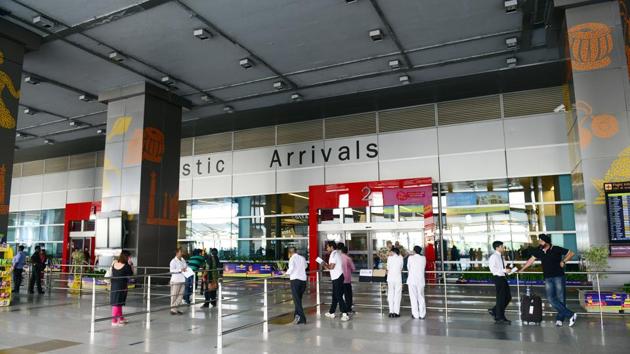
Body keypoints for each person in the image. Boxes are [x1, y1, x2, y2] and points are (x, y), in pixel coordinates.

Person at [519, 234, 577, 327]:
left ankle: (560, 319)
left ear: (546, 242)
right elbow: (531, 260)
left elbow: (571, 253)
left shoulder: (556, 248)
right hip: (547, 277)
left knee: (561, 298)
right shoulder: (539, 250)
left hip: (558, 276)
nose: (539, 242)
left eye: (541, 241)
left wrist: (564, 261)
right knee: (550, 298)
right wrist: (522, 269)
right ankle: (571, 315)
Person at [322, 241, 350, 321]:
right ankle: (331, 312)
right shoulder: (336, 253)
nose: (326, 249)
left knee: (338, 296)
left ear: (331, 247)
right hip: (336, 277)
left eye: (327, 247)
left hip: (338, 277)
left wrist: (323, 264)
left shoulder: (334, 254)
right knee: (334, 296)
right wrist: (326, 265)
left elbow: (331, 267)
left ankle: (345, 313)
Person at [488, 241, 514, 324]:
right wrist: (504, 270)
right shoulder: (494, 257)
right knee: (501, 298)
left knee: (507, 297)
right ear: (497, 248)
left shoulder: (501, 256)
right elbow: (493, 269)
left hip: (503, 277)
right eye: (502, 246)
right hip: (498, 278)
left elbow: (502, 268)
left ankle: (495, 310)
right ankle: (500, 317)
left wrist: (508, 270)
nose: (503, 248)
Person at [110, 251, 134, 327]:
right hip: (122, 286)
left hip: (114, 285)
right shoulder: (126, 266)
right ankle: (114, 320)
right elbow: (131, 274)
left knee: (117, 302)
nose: (130, 258)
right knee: (117, 303)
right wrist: (131, 264)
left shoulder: (114, 264)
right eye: (129, 257)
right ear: (126, 257)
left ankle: (121, 319)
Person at [286, 247, 307, 324]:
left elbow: (291, 269)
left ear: (290, 252)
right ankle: (297, 317)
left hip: (295, 281)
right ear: (296, 251)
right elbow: (305, 267)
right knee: (298, 300)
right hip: (303, 281)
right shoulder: (302, 258)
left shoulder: (292, 259)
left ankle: (302, 318)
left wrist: (285, 274)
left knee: (297, 301)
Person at [407, 246, 426, 319]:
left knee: (413, 298)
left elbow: (408, 268)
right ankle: (422, 314)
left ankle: (415, 314)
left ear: (414, 251)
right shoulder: (423, 258)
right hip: (420, 280)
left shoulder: (410, 258)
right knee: (421, 297)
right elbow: (423, 267)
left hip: (412, 280)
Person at [169, 248, 188, 315]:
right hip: (176, 280)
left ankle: (175, 308)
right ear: (177, 253)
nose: (182, 253)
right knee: (174, 295)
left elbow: (186, 266)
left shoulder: (183, 260)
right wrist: (180, 270)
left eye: (182, 252)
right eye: (180, 252)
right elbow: (171, 271)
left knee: (180, 295)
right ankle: (173, 309)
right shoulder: (173, 261)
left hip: (182, 279)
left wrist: (186, 269)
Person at [386, 247, 404, 318]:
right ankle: (396, 312)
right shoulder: (400, 258)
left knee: (390, 294)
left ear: (393, 252)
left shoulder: (389, 258)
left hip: (390, 278)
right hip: (397, 279)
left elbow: (388, 267)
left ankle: (391, 312)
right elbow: (401, 267)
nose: (389, 253)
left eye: (390, 252)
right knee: (397, 295)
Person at [339, 244, 355, 314]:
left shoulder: (339, 258)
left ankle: (342, 308)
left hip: (339, 278)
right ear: (347, 251)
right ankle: (348, 308)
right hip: (347, 279)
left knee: (340, 294)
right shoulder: (348, 259)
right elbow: (353, 269)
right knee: (348, 295)